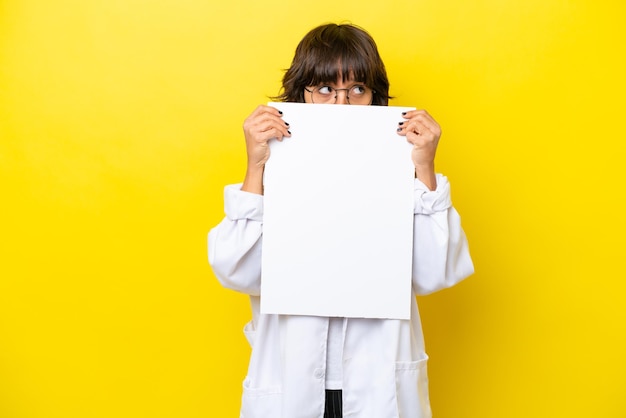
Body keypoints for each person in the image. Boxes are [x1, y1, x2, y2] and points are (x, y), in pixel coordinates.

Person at [208, 23, 474, 418]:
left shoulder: (400, 171)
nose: (341, 105)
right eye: (326, 90)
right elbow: (236, 272)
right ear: (302, 95)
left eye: (357, 90)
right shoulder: (274, 171)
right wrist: (255, 169)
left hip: (378, 383)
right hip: (290, 384)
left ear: (374, 98)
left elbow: (433, 274)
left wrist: (425, 171)